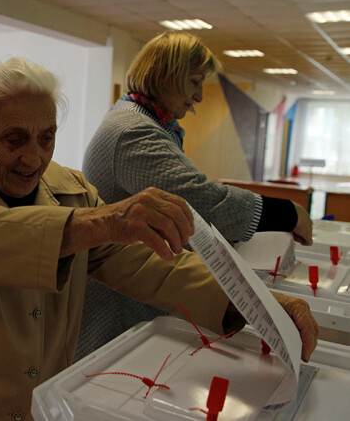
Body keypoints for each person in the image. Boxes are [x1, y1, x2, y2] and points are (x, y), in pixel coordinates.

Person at [0, 58, 318, 420]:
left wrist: (256, 304)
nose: (33, 158)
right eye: (14, 139)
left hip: (25, 402)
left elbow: (149, 265)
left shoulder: (71, 190)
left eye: (46, 138)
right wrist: (103, 221)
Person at [77, 31, 315, 359]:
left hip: (139, 282)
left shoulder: (145, 121)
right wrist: (287, 213)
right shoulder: (133, 131)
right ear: (164, 76)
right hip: (119, 294)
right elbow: (201, 200)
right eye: (193, 82)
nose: (199, 97)